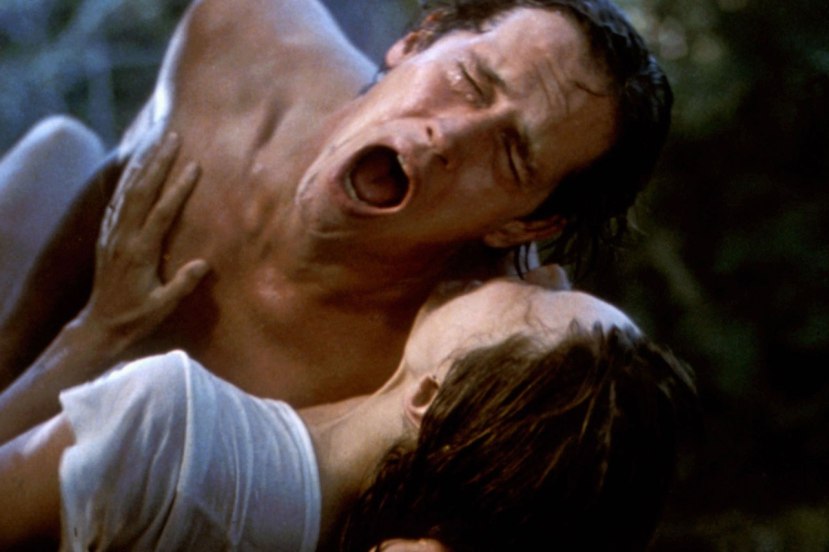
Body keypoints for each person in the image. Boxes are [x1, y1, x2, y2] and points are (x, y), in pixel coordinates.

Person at [0, 0, 672, 409]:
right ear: (417, 40)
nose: (449, 138)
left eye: (510, 154)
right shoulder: (246, 37)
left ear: (523, 222)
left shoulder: (452, 354)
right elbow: (125, 174)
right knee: (59, 147)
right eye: (468, 80)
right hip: (45, 377)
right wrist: (47, 343)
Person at [0, 267, 696, 551]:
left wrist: (91, 336)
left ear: (430, 398)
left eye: (539, 301)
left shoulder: (179, 427)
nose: (541, 270)